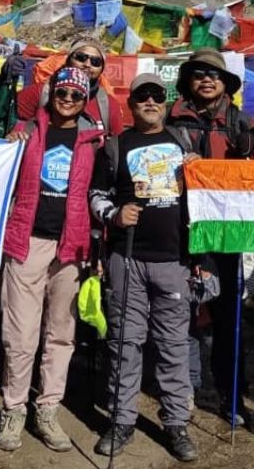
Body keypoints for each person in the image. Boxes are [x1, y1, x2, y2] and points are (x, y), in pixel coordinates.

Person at [90, 73, 202, 462]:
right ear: (131, 104)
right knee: (125, 343)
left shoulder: (184, 142)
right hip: (128, 259)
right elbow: (96, 195)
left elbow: (208, 197)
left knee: (173, 346)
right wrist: (114, 215)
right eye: (142, 96)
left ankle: (176, 423)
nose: (150, 102)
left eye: (157, 95)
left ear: (165, 102)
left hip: (174, 260)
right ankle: (121, 421)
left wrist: (199, 169)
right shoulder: (115, 146)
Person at [0, 67, 107, 452]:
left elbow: (100, 195)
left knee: (61, 333)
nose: (68, 100)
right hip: (27, 240)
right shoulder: (26, 132)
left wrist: (98, 249)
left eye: (76, 95)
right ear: (52, 93)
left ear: (85, 100)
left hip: (72, 246)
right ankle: (13, 409)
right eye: (62, 92)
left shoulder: (93, 142)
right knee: (20, 334)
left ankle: (47, 409)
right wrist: (9, 144)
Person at [164, 49, 254, 424]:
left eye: (214, 74)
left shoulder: (241, 123)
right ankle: (181, 389)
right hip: (178, 230)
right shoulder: (169, 120)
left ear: (225, 83)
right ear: (187, 80)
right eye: (199, 73)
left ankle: (232, 395)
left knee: (227, 318)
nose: (206, 79)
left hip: (225, 234)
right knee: (179, 314)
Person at [16, 36, 125, 135]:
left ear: (101, 69)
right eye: (81, 57)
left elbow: (117, 144)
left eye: (96, 62)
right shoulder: (40, 93)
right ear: (68, 60)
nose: (87, 64)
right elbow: (9, 122)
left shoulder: (107, 104)